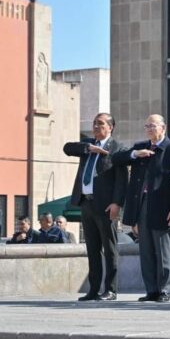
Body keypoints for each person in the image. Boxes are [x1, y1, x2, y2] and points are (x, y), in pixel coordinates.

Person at [112, 114, 170, 303]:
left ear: (163, 127)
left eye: (153, 126)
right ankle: (151, 290)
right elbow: (116, 159)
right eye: (147, 126)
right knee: (145, 250)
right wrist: (135, 154)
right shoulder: (140, 147)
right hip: (141, 205)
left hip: (163, 207)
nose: (149, 129)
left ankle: (164, 290)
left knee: (163, 251)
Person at [64, 112, 129, 301]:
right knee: (92, 248)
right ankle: (93, 289)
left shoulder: (117, 148)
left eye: (100, 123)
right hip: (86, 202)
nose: (95, 126)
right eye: (94, 123)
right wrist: (88, 148)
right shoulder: (87, 146)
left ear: (111, 127)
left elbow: (122, 179)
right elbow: (67, 148)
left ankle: (110, 289)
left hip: (106, 205)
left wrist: (117, 203)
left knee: (109, 248)